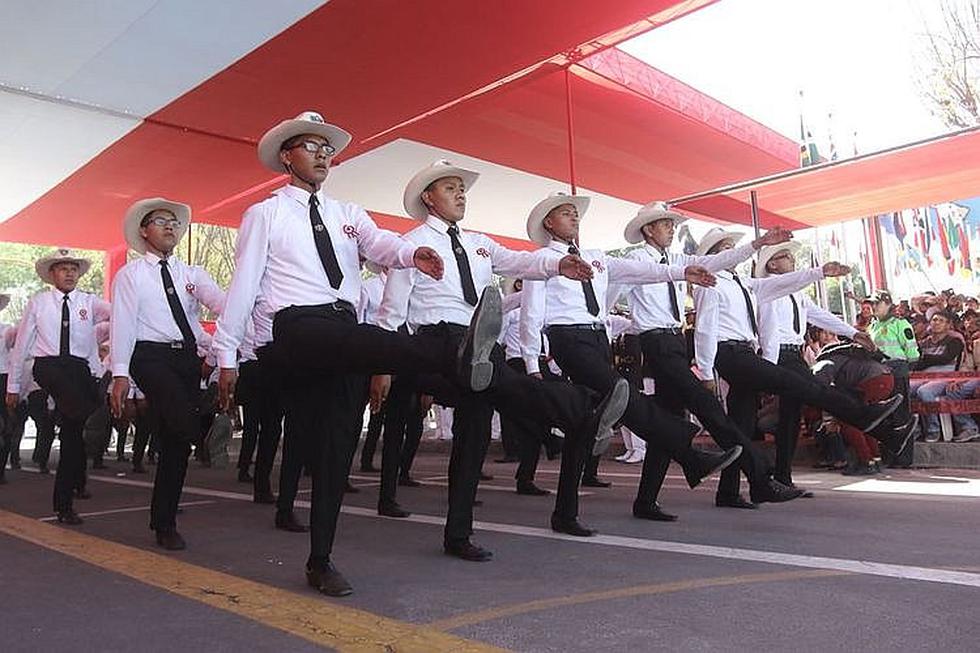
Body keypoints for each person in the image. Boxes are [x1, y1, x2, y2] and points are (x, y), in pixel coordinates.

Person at [211, 112, 519, 597]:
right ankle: (453, 353)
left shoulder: (348, 214)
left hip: (343, 330)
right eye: (311, 146)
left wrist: (409, 255)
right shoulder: (266, 213)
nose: (323, 155)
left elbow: (378, 243)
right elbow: (245, 281)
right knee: (377, 348)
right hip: (295, 326)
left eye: (327, 148)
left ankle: (320, 559)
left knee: (335, 448)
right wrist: (226, 350)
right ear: (287, 157)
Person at [369, 160, 629, 560]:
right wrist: (383, 365)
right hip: (438, 341)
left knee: (474, 437)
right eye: (451, 188)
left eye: (462, 189)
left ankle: (458, 535)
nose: (460, 195)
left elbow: (520, 261)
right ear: (428, 198)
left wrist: (557, 264)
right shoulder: (412, 246)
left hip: (480, 344)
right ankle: (584, 410)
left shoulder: (480, 242)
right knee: (516, 387)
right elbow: (391, 310)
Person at [521, 193, 744, 535]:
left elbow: (644, 271)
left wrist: (683, 271)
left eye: (575, 214)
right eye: (566, 214)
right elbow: (530, 312)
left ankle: (564, 514)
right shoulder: (541, 261)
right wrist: (532, 361)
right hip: (567, 340)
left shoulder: (597, 258)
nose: (574, 218)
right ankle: (688, 453)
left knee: (583, 426)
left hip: (596, 339)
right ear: (549, 223)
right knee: (622, 394)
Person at [611, 203, 807, 519]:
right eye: (666, 224)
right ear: (648, 229)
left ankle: (645, 500)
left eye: (672, 225)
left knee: (668, 425)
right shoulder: (635, 260)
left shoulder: (676, 260)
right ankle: (760, 478)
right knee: (710, 409)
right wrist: (601, 322)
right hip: (655, 342)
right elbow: (610, 289)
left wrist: (756, 245)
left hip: (674, 341)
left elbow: (716, 261)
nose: (672, 229)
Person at [691, 229, 908, 507]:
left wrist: (819, 273)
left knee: (742, 424)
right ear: (713, 256)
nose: (735, 252)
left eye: (734, 247)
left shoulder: (742, 282)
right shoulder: (712, 283)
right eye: (726, 248)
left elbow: (794, 291)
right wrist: (707, 371)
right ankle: (868, 419)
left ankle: (731, 491)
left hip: (744, 353)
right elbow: (705, 329)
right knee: (806, 389)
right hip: (732, 354)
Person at [109, 198, 226, 549]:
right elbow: (123, 325)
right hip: (149, 357)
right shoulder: (131, 275)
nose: (170, 226)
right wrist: (120, 373)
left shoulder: (192, 274)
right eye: (161, 221)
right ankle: (204, 430)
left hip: (186, 357)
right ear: (144, 231)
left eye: (174, 221)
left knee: (176, 444)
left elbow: (224, 305)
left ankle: (165, 521)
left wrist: (224, 344)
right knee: (182, 420)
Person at [755, 241, 878, 492]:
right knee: (815, 392)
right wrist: (769, 366)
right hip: (780, 355)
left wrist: (853, 333)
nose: (792, 259)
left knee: (792, 415)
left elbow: (819, 314)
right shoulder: (769, 290)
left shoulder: (797, 293)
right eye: (785, 256)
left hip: (794, 355)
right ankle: (861, 413)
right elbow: (767, 330)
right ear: (772, 264)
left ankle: (781, 476)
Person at [7, 249, 110, 523]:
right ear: (52, 274)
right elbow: (22, 345)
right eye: (63, 268)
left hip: (78, 368)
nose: (69, 273)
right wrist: (14, 386)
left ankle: (65, 502)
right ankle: (87, 406)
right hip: (49, 365)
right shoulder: (39, 303)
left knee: (73, 433)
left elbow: (116, 314)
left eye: (73, 269)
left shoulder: (89, 302)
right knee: (77, 415)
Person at [867, 290, 919, 466]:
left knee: (900, 414)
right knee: (884, 414)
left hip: (897, 369)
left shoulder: (900, 324)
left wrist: (906, 367)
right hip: (878, 371)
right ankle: (889, 457)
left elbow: (912, 350)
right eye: (872, 303)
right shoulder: (872, 325)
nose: (873, 307)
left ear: (888, 303)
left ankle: (903, 459)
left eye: (877, 303)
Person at [910, 310, 978, 442]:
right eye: (934, 320)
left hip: (945, 377)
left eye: (941, 321)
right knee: (904, 389)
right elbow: (915, 362)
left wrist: (925, 359)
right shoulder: (924, 343)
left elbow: (945, 359)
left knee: (925, 392)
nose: (936, 323)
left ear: (948, 325)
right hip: (923, 377)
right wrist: (924, 361)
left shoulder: (954, 341)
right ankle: (915, 428)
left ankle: (933, 429)